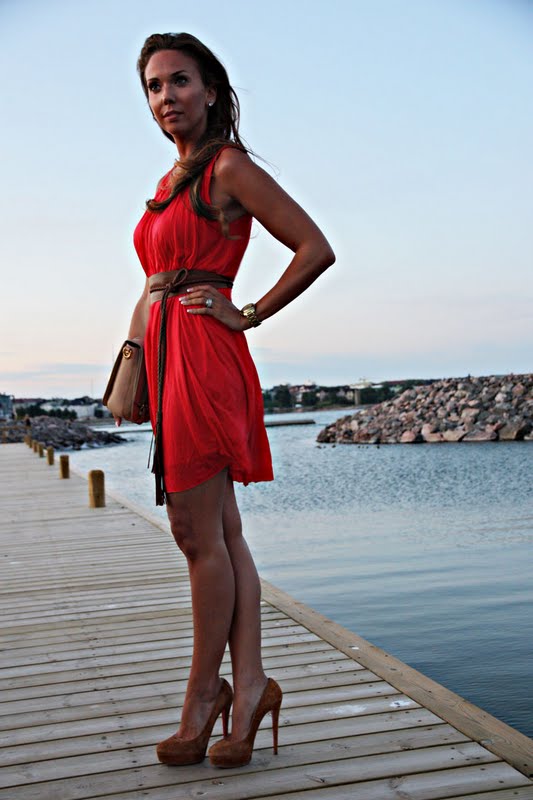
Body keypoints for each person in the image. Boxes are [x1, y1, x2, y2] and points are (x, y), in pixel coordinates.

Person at [118, 32, 335, 769]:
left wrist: (249, 313)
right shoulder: (170, 180)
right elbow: (154, 283)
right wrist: (134, 363)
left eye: (179, 81)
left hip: (207, 359)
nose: (165, 97)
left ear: (211, 91)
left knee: (195, 534)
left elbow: (314, 247)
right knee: (222, 532)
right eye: (153, 86)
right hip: (168, 359)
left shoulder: (228, 168)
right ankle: (250, 689)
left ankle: (201, 697)